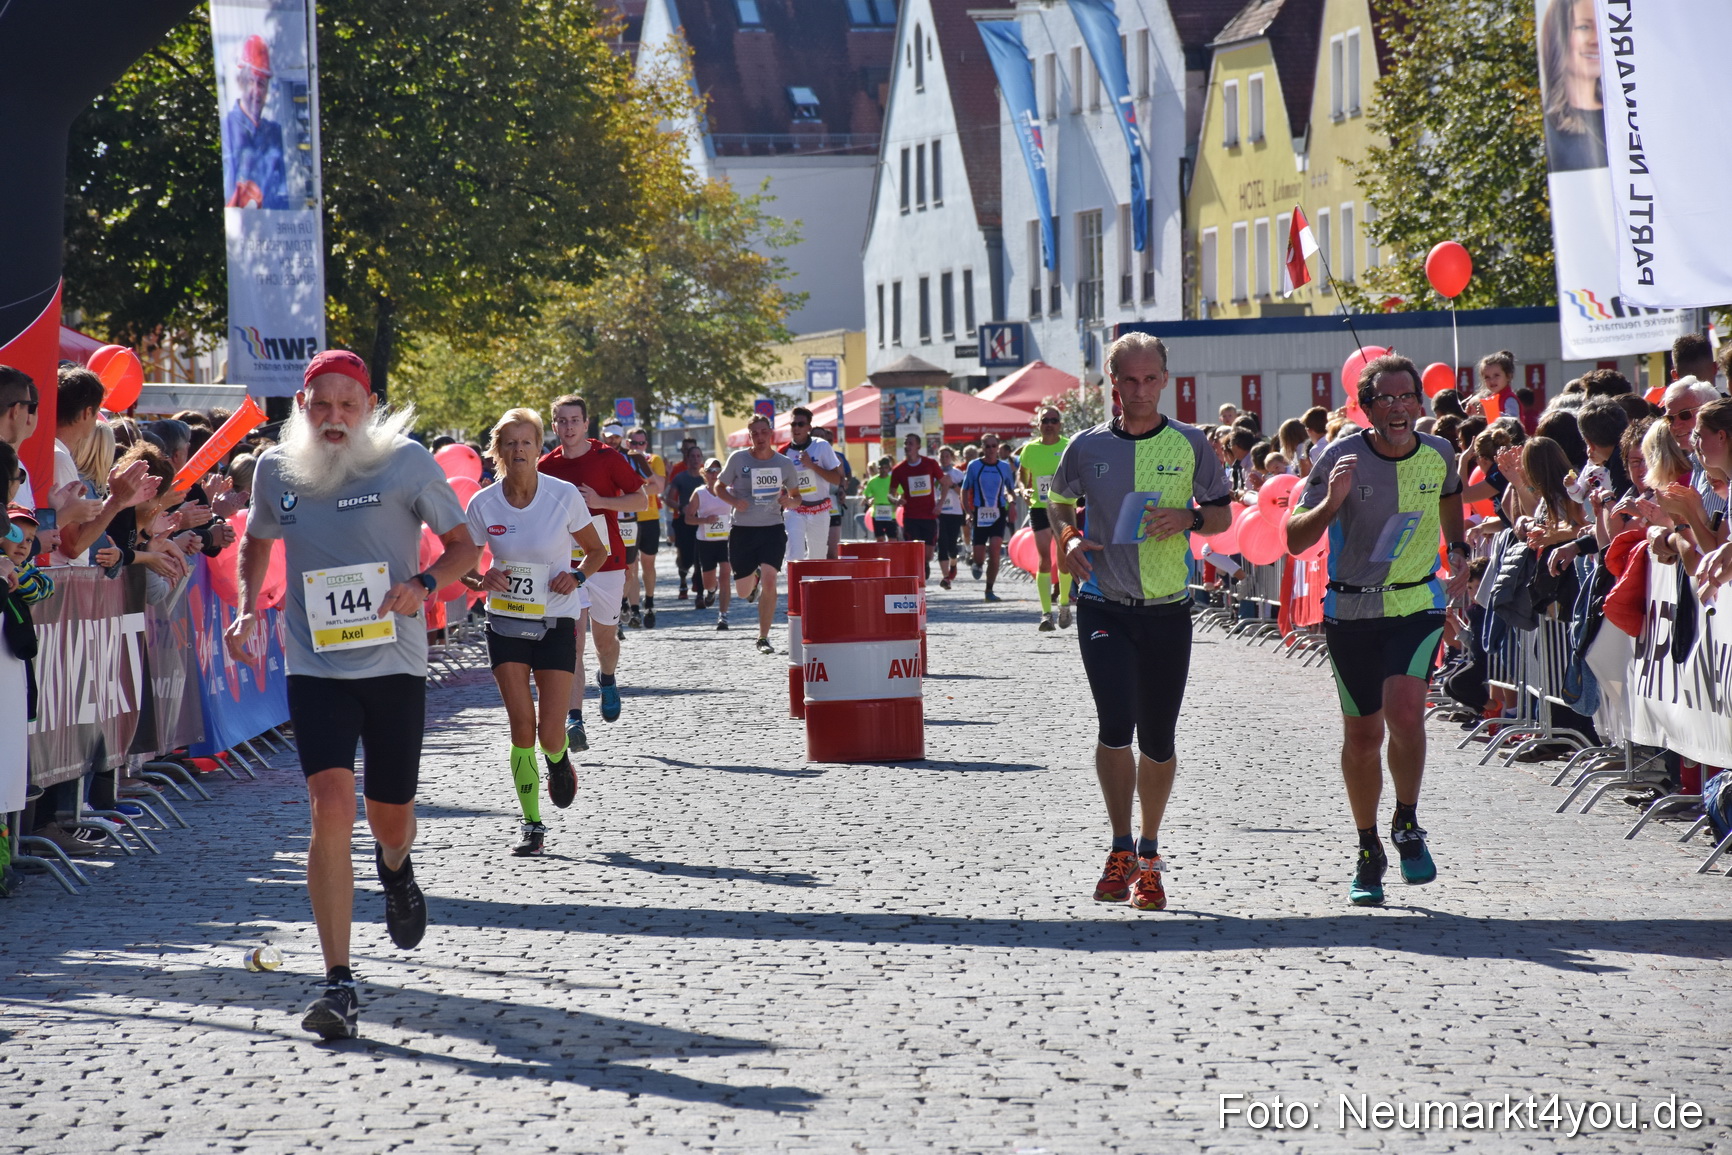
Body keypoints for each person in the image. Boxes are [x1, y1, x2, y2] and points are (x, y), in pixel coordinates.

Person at [225, 350, 478, 1039]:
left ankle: (395, 869)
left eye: (349, 404)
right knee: (329, 806)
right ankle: (338, 981)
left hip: (394, 664)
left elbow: (463, 546)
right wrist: (249, 608)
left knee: (389, 818)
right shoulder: (278, 470)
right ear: (302, 406)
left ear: (367, 407)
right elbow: (257, 541)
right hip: (318, 668)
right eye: (322, 404)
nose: (335, 418)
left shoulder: (405, 462)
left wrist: (424, 585)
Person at [1051, 333, 1231, 912]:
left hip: (1168, 609)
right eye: (1128, 380)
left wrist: (1191, 515)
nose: (1140, 390)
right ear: (1113, 382)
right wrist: (1069, 535)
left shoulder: (1191, 444)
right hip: (1104, 602)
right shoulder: (1086, 445)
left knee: (1158, 739)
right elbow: (1057, 500)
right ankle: (1120, 845)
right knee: (1114, 725)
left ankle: (1150, 854)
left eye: (1150, 378)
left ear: (1165, 380)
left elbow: (1225, 514)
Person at [1286, 353, 1468, 908]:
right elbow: (1294, 538)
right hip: (1352, 611)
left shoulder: (1438, 452)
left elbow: (1451, 496)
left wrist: (1457, 550)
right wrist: (1332, 503)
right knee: (1363, 737)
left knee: (1407, 714)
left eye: (1405, 397)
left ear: (1419, 401)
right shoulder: (1338, 456)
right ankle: (1368, 847)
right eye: (1384, 399)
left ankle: (1407, 824)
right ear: (1366, 408)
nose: (1397, 408)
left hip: (1416, 604)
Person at [461, 408, 608, 857]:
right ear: (498, 451)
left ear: (540, 448)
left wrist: (577, 577)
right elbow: (462, 566)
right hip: (505, 621)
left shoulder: (562, 495)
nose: (519, 450)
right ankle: (531, 823)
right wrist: (480, 579)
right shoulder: (483, 503)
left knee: (548, 733)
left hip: (557, 621)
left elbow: (597, 551)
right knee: (520, 726)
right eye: (510, 443)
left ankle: (559, 759)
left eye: (527, 442)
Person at [538, 397, 647, 750]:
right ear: (553, 426)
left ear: (586, 424)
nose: (568, 427)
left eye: (574, 420)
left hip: (607, 562)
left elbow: (641, 501)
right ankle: (575, 719)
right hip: (565, 565)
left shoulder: (607, 458)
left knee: (604, 641)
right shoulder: (545, 467)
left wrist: (602, 501)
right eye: (561, 421)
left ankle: (608, 676)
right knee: (574, 641)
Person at [718, 414, 800, 653]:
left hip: (772, 529)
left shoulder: (784, 463)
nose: (760, 437)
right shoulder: (738, 458)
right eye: (755, 433)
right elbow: (718, 487)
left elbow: (797, 497)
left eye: (764, 432)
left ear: (771, 433)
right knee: (743, 593)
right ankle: (752, 578)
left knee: (771, 579)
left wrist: (788, 500)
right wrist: (734, 500)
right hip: (743, 531)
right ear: (750, 435)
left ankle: (763, 637)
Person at [1018, 407, 1074, 630]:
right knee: (1044, 559)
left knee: (1063, 560)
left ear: (1060, 424)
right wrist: (1023, 490)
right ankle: (1045, 614)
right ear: (1038, 425)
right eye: (1045, 420)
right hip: (1040, 507)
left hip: (1063, 508)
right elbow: (1021, 476)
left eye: (1054, 420)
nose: (1049, 424)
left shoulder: (1068, 446)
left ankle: (1064, 605)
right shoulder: (1030, 449)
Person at [220, 34, 291, 208]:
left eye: (261, 84)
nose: (256, 91)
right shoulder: (227, 127)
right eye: (250, 81)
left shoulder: (275, 133)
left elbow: (286, 191)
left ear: (267, 89)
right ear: (240, 82)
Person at [1539, 0, 1607, 172]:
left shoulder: (1626, 115)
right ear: (1556, 36)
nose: (1596, 40)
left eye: (1602, 26)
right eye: (1584, 27)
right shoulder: (1547, 128)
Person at [783, 407, 844, 563]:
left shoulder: (822, 446)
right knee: (794, 554)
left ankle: (812, 586)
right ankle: (794, 587)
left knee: (817, 557)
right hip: (795, 509)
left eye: (801, 424)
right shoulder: (783, 451)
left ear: (809, 427)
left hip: (819, 509)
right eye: (793, 424)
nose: (796, 428)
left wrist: (812, 465)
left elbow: (836, 479)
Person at [619, 427, 665, 629]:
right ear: (627, 443)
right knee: (631, 566)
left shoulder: (653, 460)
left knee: (648, 564)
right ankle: (633, 607)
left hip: (650, 517)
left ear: (646, 444)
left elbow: (659, 487)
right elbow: (650, 488)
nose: (637, 447)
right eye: (633, 443)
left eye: (641, 443)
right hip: (629, 519)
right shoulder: (622, 459)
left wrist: (631, 491)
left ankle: (650, 601)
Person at [964, 435, 1018, 601]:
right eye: (987, 446)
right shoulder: (974, 466)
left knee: (995, 550)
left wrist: (1013, 505)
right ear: (982, 447)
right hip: (980, 513)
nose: (991, 449)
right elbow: (965, 490)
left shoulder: (1004, 467)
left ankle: (989, 590)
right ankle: (977, 562)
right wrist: (968, 511)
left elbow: (1010, 490)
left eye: (994, 446)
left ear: (998, 447)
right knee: (979, 556)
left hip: (998, 512)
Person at [889, 432, 945, 580]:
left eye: (910, 443)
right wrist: (895, 500)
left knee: (928, 554)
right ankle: (916, 578)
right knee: (913, 552)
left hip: (929, 515)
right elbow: (891, 494)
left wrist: (939, 504)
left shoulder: (930, 464)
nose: (907, 446)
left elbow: (945, 483)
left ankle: (924, 564)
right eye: (905, 443)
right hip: (910, 516)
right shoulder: (899, 469)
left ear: (918, 446)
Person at [689, 458, 734, 627]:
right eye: (710, 471)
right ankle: (711, 591)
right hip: (706, 542)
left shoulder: (729, 491)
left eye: (717, 470)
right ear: (704, 474)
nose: (714, 474)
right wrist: (705, 520)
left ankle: (723, 615)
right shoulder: (699, 493)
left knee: (725, 574)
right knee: (709, 581)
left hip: (725, 540)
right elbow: (688, 518)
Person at [666, 443, 707, 605]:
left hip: (702, 522)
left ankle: (700, 593)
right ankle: (683, 578)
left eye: (698, 456)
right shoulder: (681, 477)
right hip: (683, 522)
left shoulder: (707, 477)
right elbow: (669, 498)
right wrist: (681, 507)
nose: (696, 459)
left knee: (700, 557)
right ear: (687, 459)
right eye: (692, 456)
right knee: (686, 557)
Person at [935, 445, 966, 589]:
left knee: (952, 546)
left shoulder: (958, 474)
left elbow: (963, 492)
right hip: (940, 512)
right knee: (942, 544)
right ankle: (945, 577)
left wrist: (952, 485)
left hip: (954, 512)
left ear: (951, 457)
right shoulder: (934, 473)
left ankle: (953, 563)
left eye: (947, 456)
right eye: (941, 456)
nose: (944, 459)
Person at [1470, 351, 1520, 423]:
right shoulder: (1492, 398)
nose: (1492, 380)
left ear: (1508, 376)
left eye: (1496, 375)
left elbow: (1514, 420)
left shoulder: (1509, 398)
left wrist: (1489, 413)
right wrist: (1475, 414)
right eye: (1487, 377)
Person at [863, 457, 897, 540]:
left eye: (886, 468)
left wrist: (896, 504)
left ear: (889, 468)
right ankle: (881, 553)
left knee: (892, 539)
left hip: (891, 513)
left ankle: (891, 553)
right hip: (877, 513)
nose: (883, 470)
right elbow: (866, 495)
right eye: (881, 468)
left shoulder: (893, 480)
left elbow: (901, 493)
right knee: (880, 539)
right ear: (878, 468)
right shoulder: (873, 481)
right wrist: (869, 500)